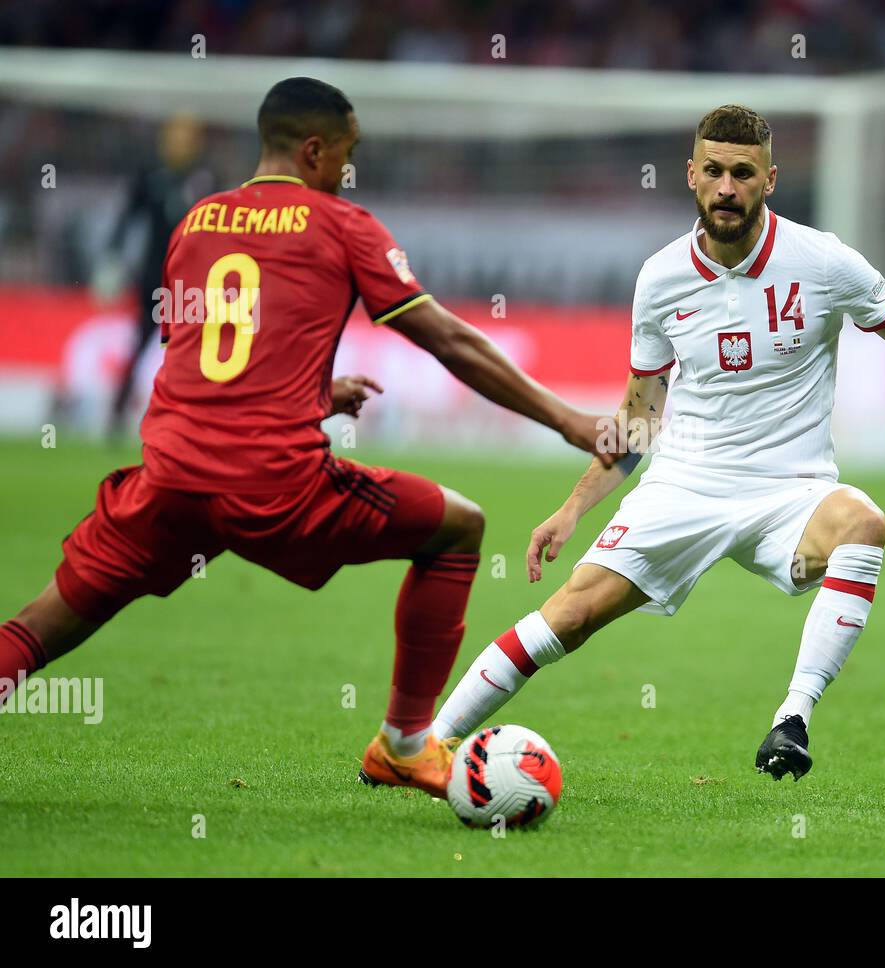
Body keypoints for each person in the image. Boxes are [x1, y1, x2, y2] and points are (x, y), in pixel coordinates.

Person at [0, 77, 612, 799]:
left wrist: (314, 396)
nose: (347, 174)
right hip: (273, 488)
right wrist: (569, 419)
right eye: (346, 156)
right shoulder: (342, 224)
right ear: (316, 149)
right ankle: (406, 744)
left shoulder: (196, 221)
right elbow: (447, 341)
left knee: (38, 625)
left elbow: (206, 362)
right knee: (457, 527)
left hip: (167, 483)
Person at [430, 105, 885, 787]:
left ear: (770, 179)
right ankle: (424, 744)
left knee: (864, 522)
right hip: (684, 484)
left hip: (789, 492)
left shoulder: (824, 261)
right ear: (691, 176)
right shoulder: (661, 278)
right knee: (571, 616)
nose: (727, 187)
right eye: (713, 171)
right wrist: (572, 507)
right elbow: (640, 416)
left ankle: (793, 719)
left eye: (742, 173)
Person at [104, 112, 214, 439]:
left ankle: (193, 422)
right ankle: (116, 415)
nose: (177, 142)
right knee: (140, 344)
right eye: (174, 135)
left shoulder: (204, 178)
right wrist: (112, 257)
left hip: (191, 282)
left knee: (193, 351)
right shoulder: (150, 176)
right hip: (154, 278)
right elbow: (127, 219)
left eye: (185, 136)